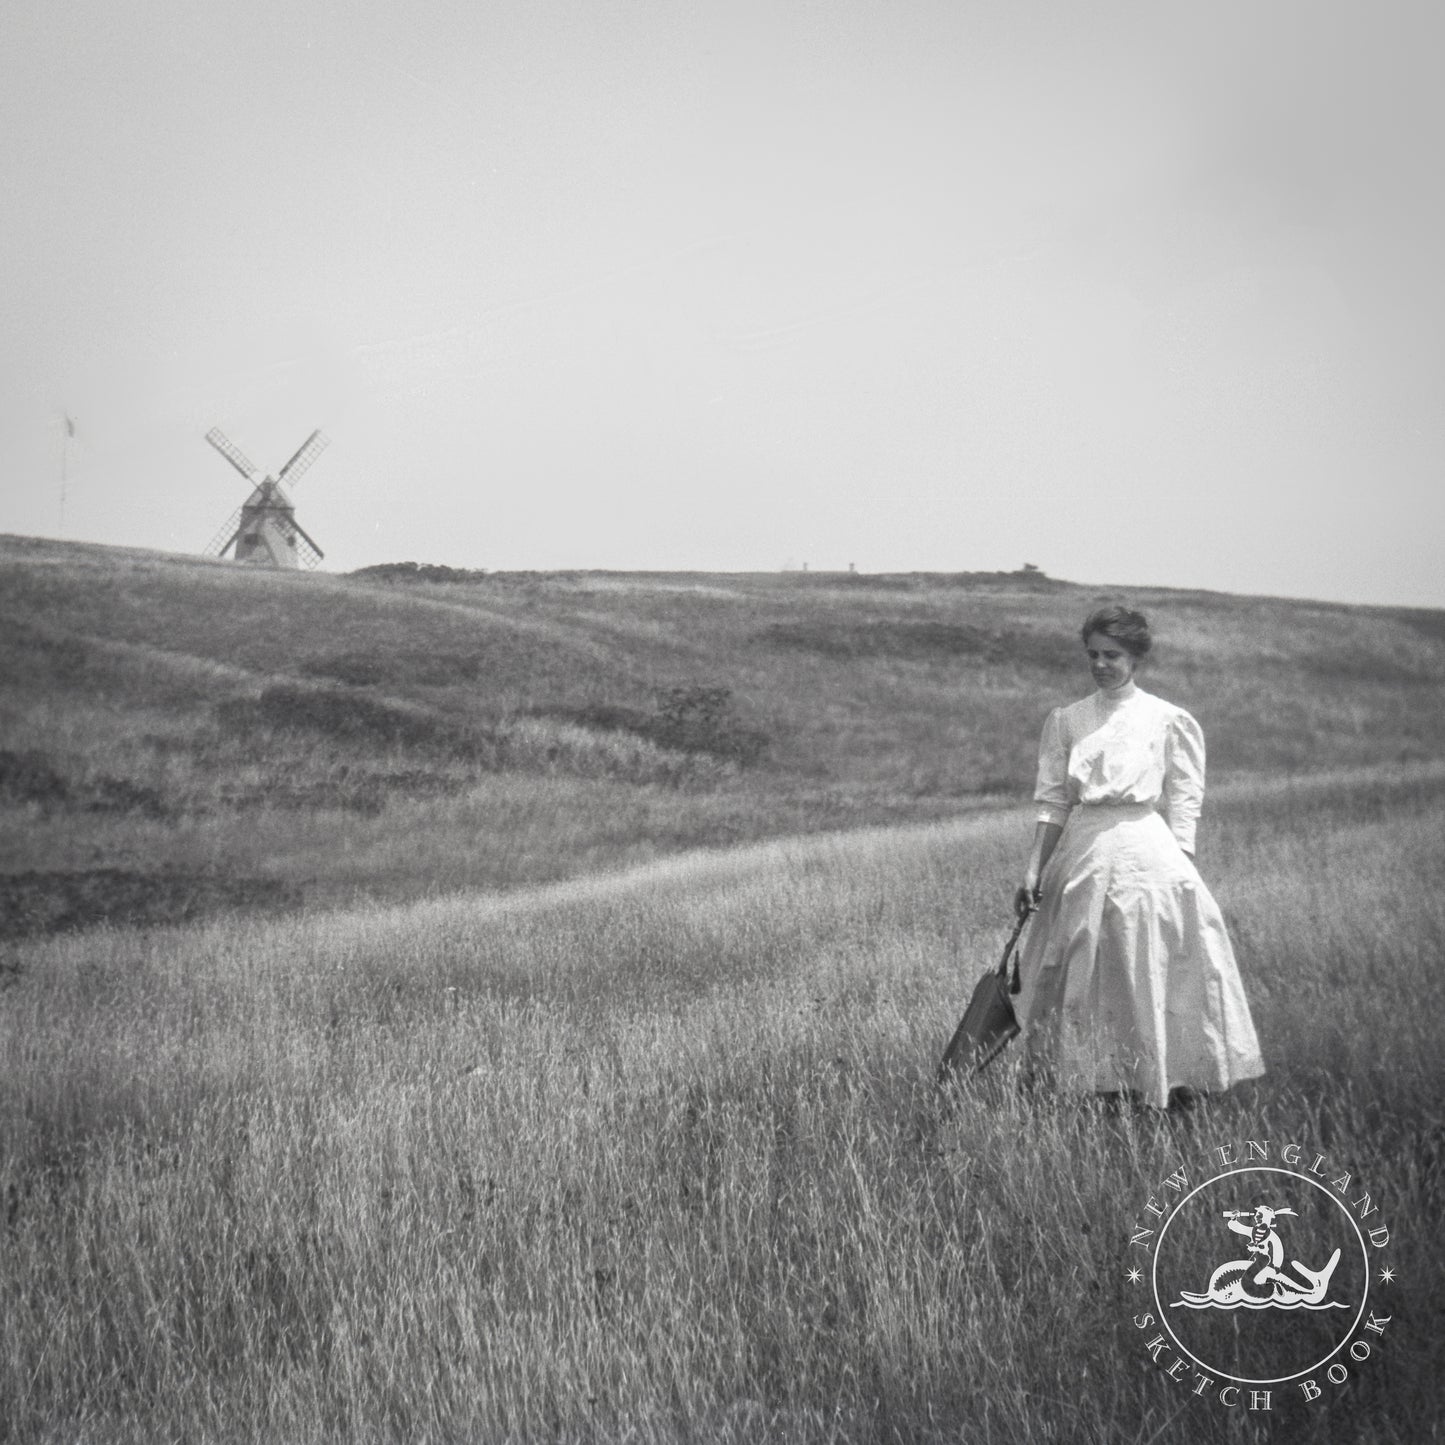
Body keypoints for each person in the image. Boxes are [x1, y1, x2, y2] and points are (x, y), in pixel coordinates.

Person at [1011, 606, 1264, 1109]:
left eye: (1113, 655)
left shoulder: (1167, 719)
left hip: (1149, 849)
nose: (1101, 664)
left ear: (1135, 657)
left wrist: (1181, 861)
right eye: (1093, 655)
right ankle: (1085, 1079)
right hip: (1085, 848)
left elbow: (1185, 799)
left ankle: (1169, 1078)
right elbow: (1054, 800)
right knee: (1081, 958)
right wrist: (1034, 867)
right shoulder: (1069, 720)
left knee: (1151, 955)